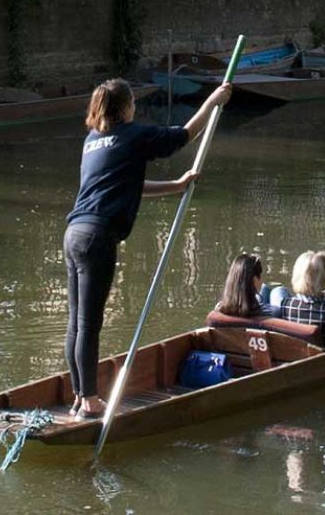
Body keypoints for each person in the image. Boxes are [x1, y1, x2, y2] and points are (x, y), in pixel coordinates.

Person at [64, 77, 231, 420]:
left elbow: (127, 186)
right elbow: (184, 135)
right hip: (97, 237)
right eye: (133, 103)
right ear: (125, 107)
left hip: (73, 235)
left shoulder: (92, 141)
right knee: (89, 324)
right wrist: (214, 100)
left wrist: (175, 186)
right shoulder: (133, 135)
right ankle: (91, 400)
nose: (135, 109)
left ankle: (80, 397)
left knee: (76, 324)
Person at [216, 253, 280, 318]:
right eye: (260, 276)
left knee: (264, 289)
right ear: (254, 280)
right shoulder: (273, 313)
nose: (262, 280)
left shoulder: (219, 310)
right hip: (257, 313)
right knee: (274, 290)